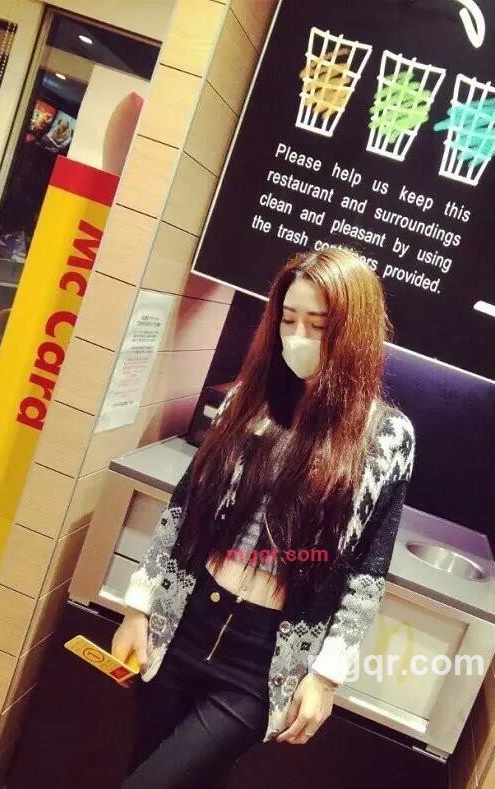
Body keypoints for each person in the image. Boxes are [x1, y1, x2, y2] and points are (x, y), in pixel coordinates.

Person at [113, 245, 416, 787]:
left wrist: (325, 676)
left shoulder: (386, 437)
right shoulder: (246, 401)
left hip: (261, 658)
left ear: (354, 333)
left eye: (318, 325)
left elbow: (367, 573)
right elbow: (184, 509)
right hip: (183, 621)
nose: (298, 337)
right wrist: (139, 608)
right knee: (154, 767)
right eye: (288, 319)